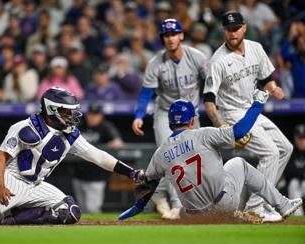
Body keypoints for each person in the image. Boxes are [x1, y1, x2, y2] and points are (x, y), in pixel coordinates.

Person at [0, 87, 143, 225]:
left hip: (35, 184)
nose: (71, 117)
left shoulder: (70, 134)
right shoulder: (25, 127)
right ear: (52, 110)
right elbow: (0, 157)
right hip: (8, 177)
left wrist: (131, 172)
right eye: (66, 112)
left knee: (69, 212)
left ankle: (10, 220)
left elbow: (98, 156)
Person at [119, 94, 303, 223]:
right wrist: (257, 104)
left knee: (182, 212)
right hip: (222, 203)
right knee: (239, 164)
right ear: (192, 120)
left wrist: (136, 208)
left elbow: (148, 185)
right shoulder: (203, 134)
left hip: (193, 216)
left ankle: (228, 217)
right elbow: (239, 131)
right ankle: (282, 205)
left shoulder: (160, 153)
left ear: (169, 122)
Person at [203, 11, 293, 222]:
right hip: (233, 114)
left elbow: (266, 78)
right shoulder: (218, 61)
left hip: (251, 108)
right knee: (270, 153)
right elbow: (208, 101)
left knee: (286, 148)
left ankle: (264, 203)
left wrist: (274, 88)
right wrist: (223, 127)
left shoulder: (256, 48)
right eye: (228, 29)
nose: (232, 33)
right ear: (224, 31)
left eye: (236, 28)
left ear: (244, 28)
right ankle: (255, 208)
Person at [131, 18, 207, 219]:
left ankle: (159, 193)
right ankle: (176, 205)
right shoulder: (156, 63)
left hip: (191, 115)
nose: (170, 38)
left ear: (181, 35)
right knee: (173, 156)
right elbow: (146, 93)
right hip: (166, 114)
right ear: (162, 39)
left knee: (193, 160)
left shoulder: (197, 57)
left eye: (174, 34)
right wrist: (139, 115)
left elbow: (212, 83)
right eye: (166, 35)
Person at [72, 102, 124, 213]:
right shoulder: (79, 125)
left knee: (92, 209)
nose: (93, 117)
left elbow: (118, 141)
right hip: (79, 175)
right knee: (80, 209)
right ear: (87, 114)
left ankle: (94, 230)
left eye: (96, 115)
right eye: (91, 114)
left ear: (101, 116)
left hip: (96, 176)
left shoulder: (105, 127)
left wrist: (115, 142)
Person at [285, 124, 305, 216]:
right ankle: (298, 216)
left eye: (304, 138)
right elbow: (289, 170)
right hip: (294, 186)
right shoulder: (291, 152)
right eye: (300, 138)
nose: (302, 141)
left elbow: (294, 171)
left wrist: (299, 173)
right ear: (295, 139)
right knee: (293, 183)